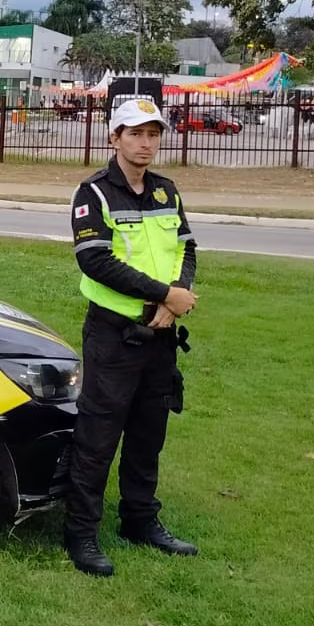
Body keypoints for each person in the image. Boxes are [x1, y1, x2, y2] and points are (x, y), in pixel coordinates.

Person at [64, 97, 199, 577]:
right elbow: (95, 261)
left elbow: (187, 248)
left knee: (148, 434)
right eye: (135, 134)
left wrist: (175, 296)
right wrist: (166, 293)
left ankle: (140, 520)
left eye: (153, 134)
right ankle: (81, 533)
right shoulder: (94, 193)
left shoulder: (166, 192)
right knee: (98, 436)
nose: (146, 144)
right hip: (114, 335)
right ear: (114, 138)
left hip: (160, 335)